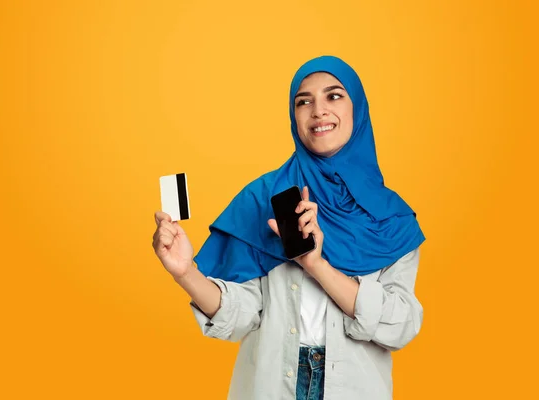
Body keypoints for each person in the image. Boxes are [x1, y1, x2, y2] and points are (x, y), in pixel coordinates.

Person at [152, 56, 425, 400]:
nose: (318, 111)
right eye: (304, 101)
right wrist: (184, 273)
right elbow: (241, 316)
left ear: (358, 109)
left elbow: (400, 326)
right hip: (270, 386)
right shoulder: (266, 197)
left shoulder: (390, 218)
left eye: (334, 96)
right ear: (293, 116)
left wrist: (316, 265)